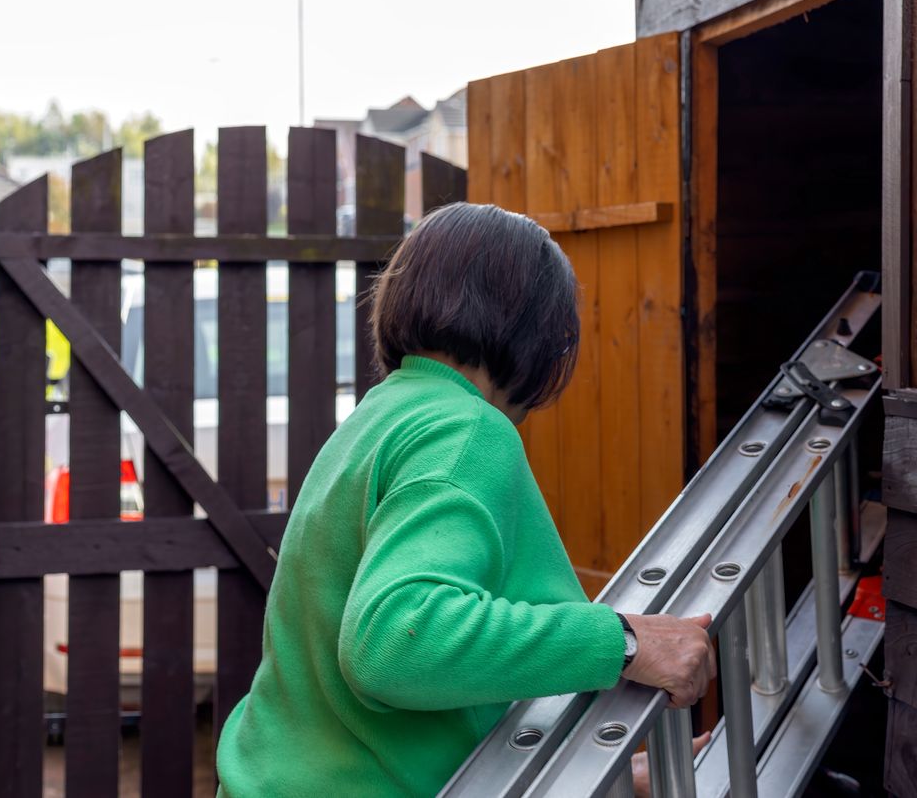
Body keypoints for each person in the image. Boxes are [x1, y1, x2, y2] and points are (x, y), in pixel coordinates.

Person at [216, 202, 716, 797]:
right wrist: (625, 642)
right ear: (536, 333)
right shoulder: (467, 431)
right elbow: (394, 641)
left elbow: (410, 706)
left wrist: (615, 781)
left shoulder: (382, 414)